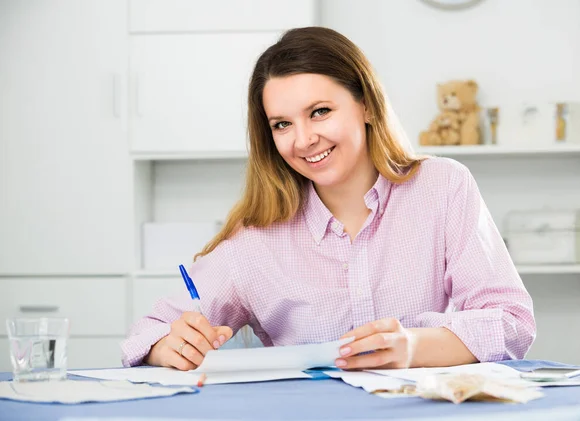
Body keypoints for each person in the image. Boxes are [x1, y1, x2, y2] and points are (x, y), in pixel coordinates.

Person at [120, 26, 535, 371]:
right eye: (282, 124)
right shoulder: (257, 236)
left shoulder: (442, 186)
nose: (303, 139)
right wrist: (167, 346)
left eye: (319, 112)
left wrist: (411, 347)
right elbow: (150, 331)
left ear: (367, 106)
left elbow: (512, 325)